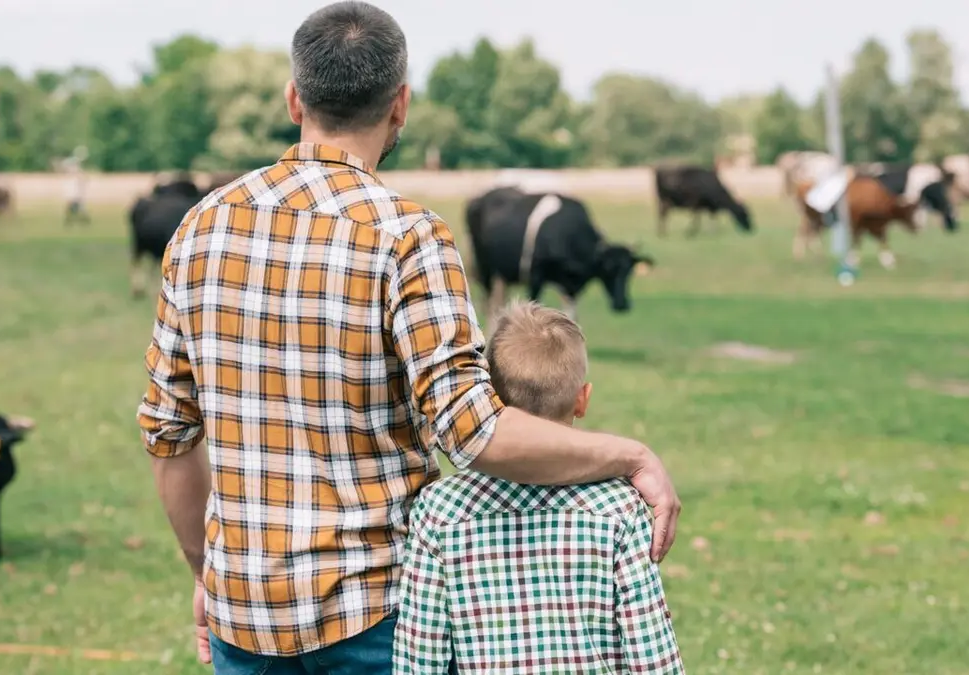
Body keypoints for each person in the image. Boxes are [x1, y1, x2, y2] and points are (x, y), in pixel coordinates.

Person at [136, 3, 680, 674]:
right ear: (401, 105)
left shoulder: (199, 228)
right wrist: (630, 455)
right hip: (382, 619)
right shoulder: (409, 237)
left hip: (241, 617)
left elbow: (169, 437)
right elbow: (473, 432)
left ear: (293, 97)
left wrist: (207, 574)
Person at [393, 301, 685, 674]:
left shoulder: (439, 510)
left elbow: (419, 654)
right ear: (583, 399)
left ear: (490, 397)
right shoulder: (620, 508)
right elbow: (652, 654)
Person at [60, 146, 90, 226]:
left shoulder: (76, 170)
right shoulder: (73, 169)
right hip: (73, 190)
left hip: (76, 190)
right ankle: (70, 221)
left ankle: (82, 221)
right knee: (73, 205)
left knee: (79, 206)